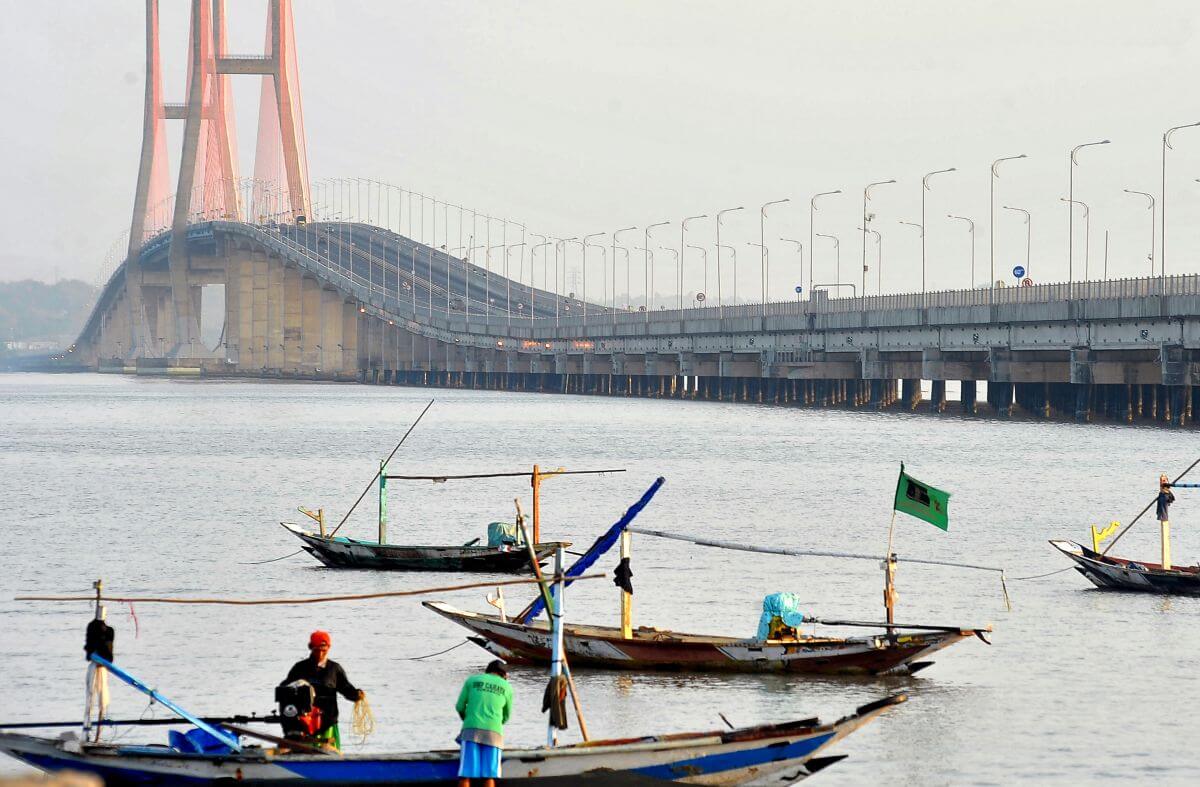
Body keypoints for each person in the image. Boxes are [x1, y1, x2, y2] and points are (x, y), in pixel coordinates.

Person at [280, 630, 363, 751]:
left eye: (323, 650)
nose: (320, 654)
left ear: (328, 648)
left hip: (328, 723)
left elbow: (345, 688)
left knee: (330, 752)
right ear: (310, 648)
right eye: (316, 650)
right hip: (305, 723)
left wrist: (356, 695)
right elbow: (285, 689)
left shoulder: (334, 669)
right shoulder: (300, 668)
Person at [454, 660, 513, 787]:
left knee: (466, 775)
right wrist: (496, 722)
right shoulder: (506, 686)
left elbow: (459, 707)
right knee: (489, 776)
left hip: (471, 729)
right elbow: (507, 715)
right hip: (494, 732)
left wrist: (468, 719)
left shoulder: (472, 680)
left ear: (487, 671)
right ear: (504, 675)